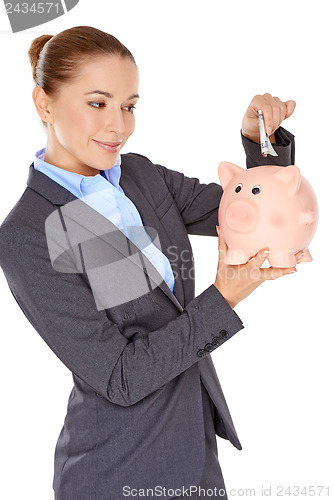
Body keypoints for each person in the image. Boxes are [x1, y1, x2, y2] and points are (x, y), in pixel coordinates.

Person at [0, 26, 300, 500]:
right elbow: (120, 376)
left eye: (129, 105)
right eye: (98, 103)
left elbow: (256, 215)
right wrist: (224, 297)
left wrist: (257, 139)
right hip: (117, 470)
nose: (119, 125)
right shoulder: (29, 233)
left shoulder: (140, 175)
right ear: (44, 104)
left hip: (195, 456)